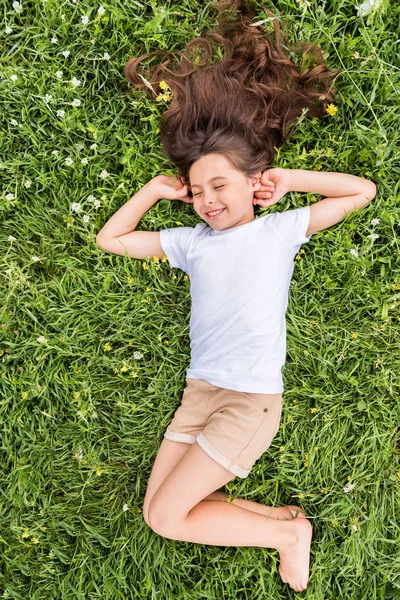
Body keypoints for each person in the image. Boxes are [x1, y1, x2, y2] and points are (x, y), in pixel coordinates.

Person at [96, 1, 376, 592]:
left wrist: (291, 182)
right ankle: (283, 524)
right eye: (196, 190)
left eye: (218, 185)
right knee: (159, 515)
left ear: (253, 183)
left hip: (247, 404)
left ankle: (284, 536)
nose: (206, 199)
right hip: (200, 394)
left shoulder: (277, 231)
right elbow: (111, 239)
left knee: (170, 518)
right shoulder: (191, 242)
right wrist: (152, 190)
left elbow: (361, 192)